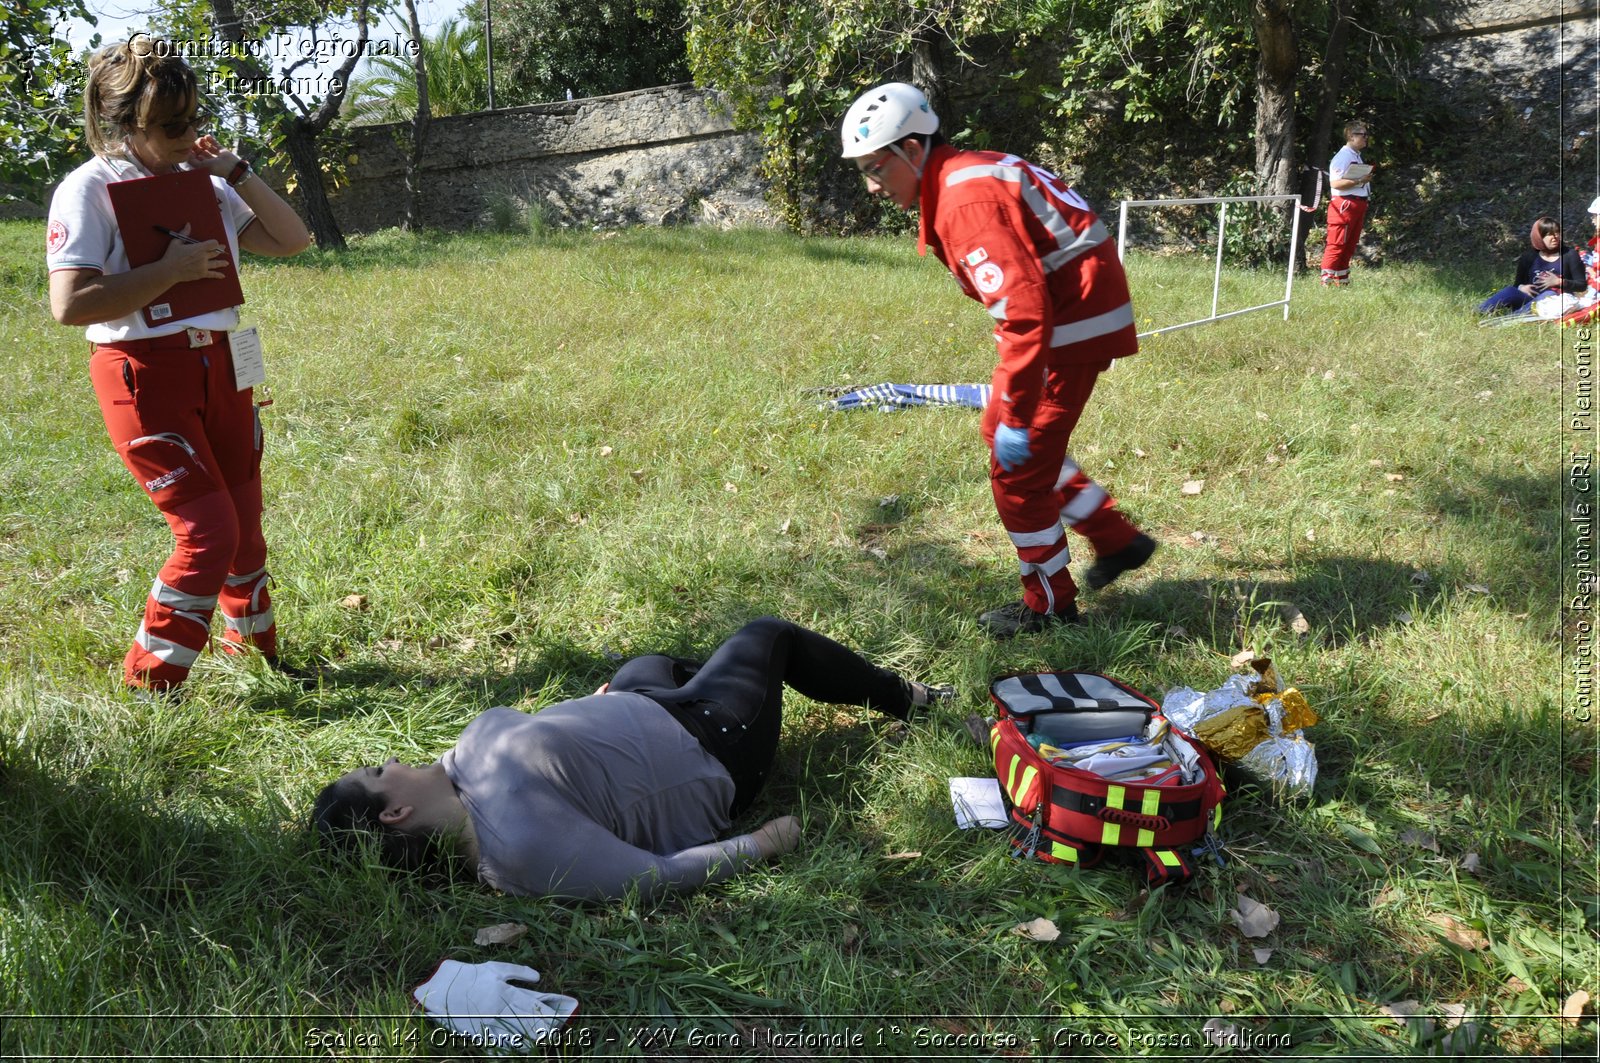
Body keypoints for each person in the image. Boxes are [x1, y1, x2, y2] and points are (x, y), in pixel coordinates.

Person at [311, 616, 951, 902]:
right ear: (395, 812)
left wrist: (591, 712)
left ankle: (687, 679)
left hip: (647, 701)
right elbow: (654, 876)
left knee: (649, 664)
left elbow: (536, 741)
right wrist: (762, 844)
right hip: (715, 743)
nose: (388, 759)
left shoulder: (454, 774)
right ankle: (914, 698)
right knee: (766, 636)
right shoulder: (524, 848)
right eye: (376, 772)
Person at [838, 82, 1156, 639]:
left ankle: (1050, 606)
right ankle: (1115, 538)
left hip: (1066, 328)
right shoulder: (965, 176)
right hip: (1073, 319)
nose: (870, 185)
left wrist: (1014, 410)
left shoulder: (965, 202)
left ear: (913, 150)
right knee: (1019, 450)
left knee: (1015, 473)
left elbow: (1026, 315)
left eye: (875, 167)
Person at [46, 35, 312, 694]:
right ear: (124, 122)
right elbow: (70, 302)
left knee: (244, 527)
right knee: (208, 533)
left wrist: (235, 170)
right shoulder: (90, 188)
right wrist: (169, 271)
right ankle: (150, 682)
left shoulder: (206, 183)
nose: (189, 134)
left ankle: (255, 657)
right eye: (172, 126)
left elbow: (293, 240)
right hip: (144, 375)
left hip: (222, 364)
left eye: (193, 118)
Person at [1477, 216, 1586, 314]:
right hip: (1530, 300)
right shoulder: (1529, 257)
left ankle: (1512, 319)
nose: (1555, 237)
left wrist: (1558, 282)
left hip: (1556, 303)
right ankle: (1478, 312)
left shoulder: (1570, 255)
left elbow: (1582, 285)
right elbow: (1517, 284)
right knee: (1510, 291)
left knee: (1548, 294)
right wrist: (1521, 287)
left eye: (1557, 232)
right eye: (1549, 234)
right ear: (1539, 237)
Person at [1321, 120, 1374, 286]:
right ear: (1351, 136)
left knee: (1349, 244)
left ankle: (1342, 279)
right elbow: (1335, 183)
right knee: (1337, 242)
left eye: (1366, 135)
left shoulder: (1355, 155)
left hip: (1356, 204)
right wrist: (1360, 180)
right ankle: (1326, 281)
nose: (1366, 138)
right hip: (1344, 205)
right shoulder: (1342, 156)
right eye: (1362, 135)